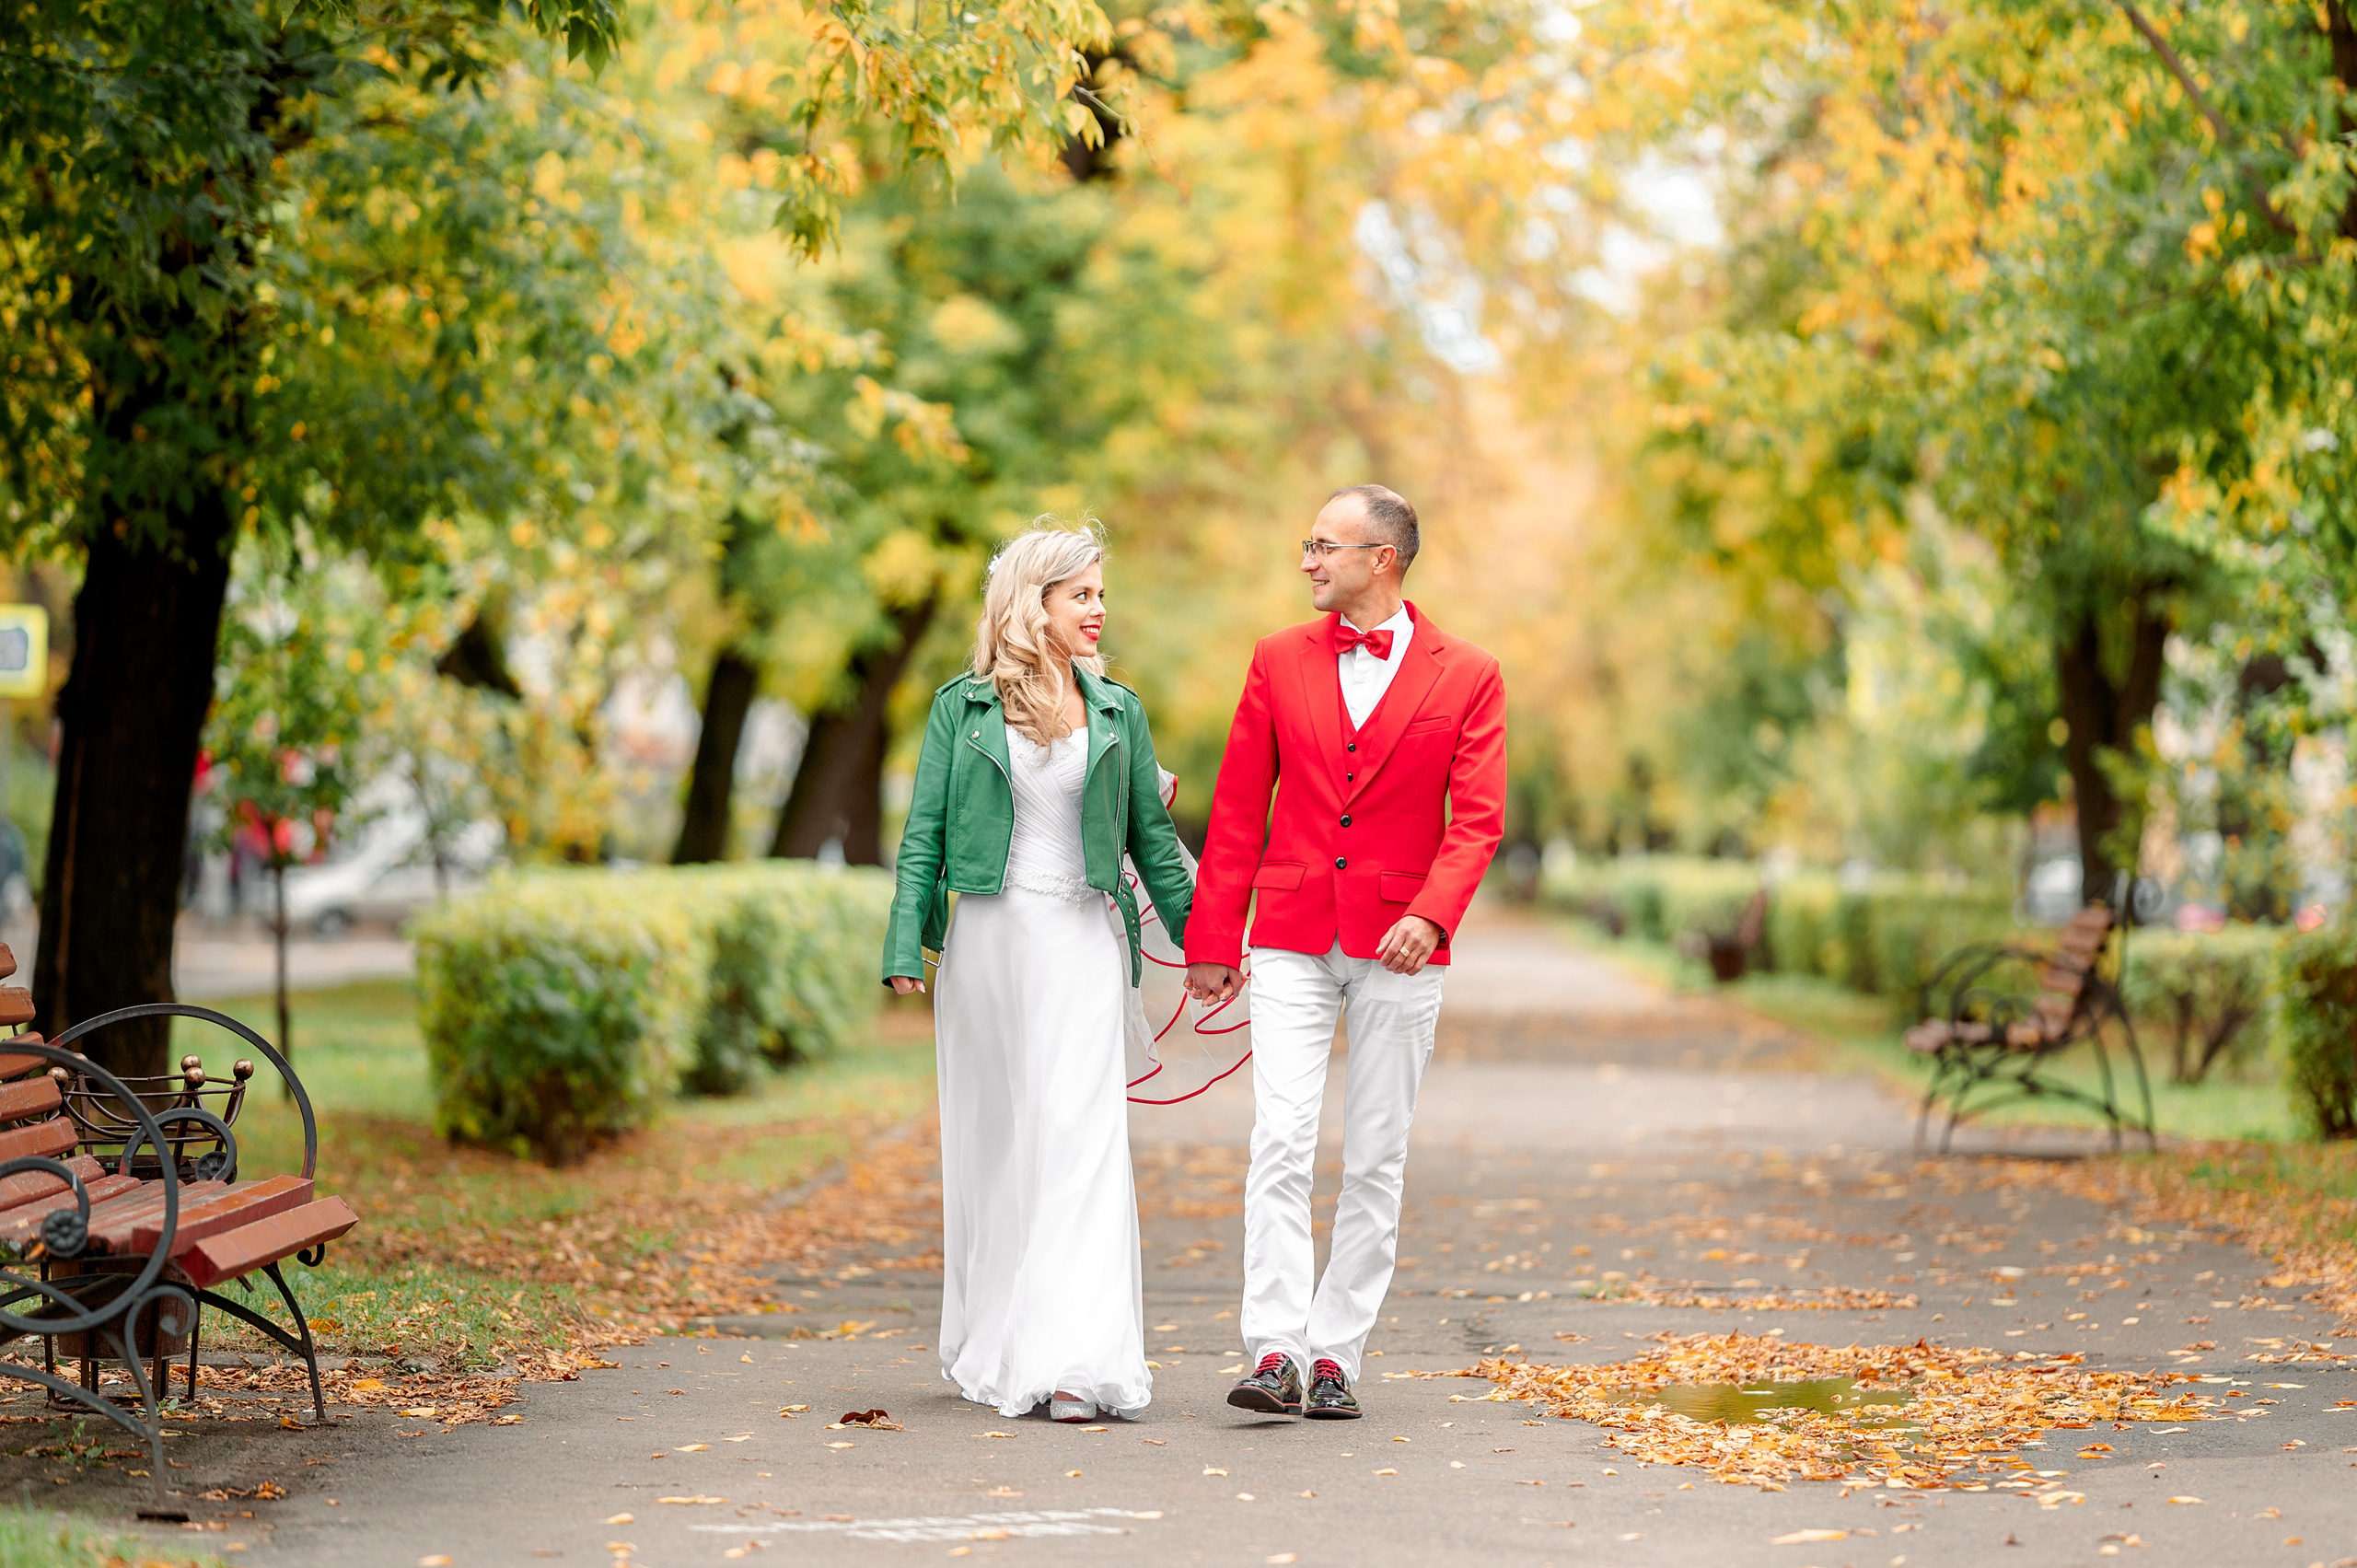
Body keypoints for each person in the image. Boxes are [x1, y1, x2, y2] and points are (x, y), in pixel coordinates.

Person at [1184, 483, 1507, 1421]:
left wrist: (1433, 916)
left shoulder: (1470, 673)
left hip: (1402, 943)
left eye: (1325, 545)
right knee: (1280, 1139)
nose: (1308, 561)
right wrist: (1214, 937)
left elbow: (1478, 819)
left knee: (1374, 1156)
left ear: (1382, 558)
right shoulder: (1276, 658)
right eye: (1308, 544)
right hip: (1290, 933)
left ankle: (1335, 1355)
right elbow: (1237, 806)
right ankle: (1275, 1349)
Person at [881, 522, 1197, 1424]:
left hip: (1082, 943)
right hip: (987, 944)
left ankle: (1075, 1363)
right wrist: (906, 943)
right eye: (1081, 594)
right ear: (1034, 600)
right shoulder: (963, 706)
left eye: (1101, 594)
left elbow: (1154, 845)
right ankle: (1002, 1339)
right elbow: (923, 834)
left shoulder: (1118, 710)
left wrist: (1208, 942)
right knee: (999, 1144)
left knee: (1079, 1136)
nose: (1098, 609)